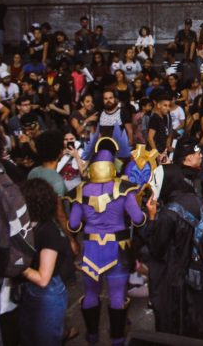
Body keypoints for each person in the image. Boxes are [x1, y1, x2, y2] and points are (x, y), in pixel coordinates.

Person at [67, 138, 146, 346]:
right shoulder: (124, 188)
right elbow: (138, 219)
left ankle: (92, 336)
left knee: (90, 294)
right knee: (117, 296)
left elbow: (73, 225)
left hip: (91, 250)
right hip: (118, 248)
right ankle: (117, 340)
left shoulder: (81, 190)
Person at [141, 164, 203, 340]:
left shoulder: (168, 214)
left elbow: (156, 248)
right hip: (197, 271)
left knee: (176, 323)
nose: (153, 187)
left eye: (156, 183)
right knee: (197, 320)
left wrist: (152, 218)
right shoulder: (195, 199)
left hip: (175, 279)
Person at [19, 178, 75, 346]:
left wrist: (16, 265)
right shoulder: (27, 225)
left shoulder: (49, 231)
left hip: (48, 294)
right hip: (29, 289)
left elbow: (43, 279)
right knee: (29, 337)